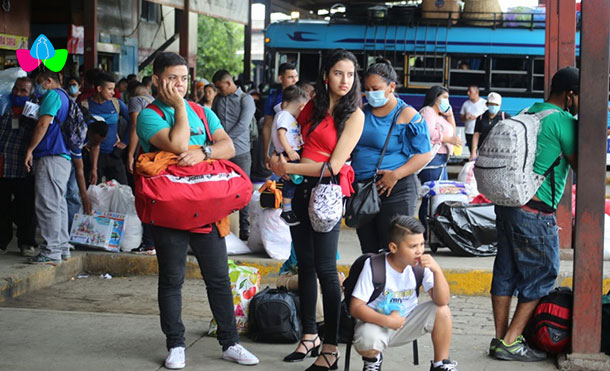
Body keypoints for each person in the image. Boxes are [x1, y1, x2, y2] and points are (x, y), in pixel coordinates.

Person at [136, 52, 259, 369]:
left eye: (183, 78)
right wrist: (178, 107)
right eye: (172, 78)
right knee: (172, 280)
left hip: (207, 209)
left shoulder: (203, 113)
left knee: (218, 279)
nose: (179, 84)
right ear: (156, 80)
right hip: (170, 210)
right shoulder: (148, 116)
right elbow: (176, 145)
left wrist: (203, 151)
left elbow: (228, 146)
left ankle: (230, 342)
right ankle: (176, 344)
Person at [270, 49, 365, 371]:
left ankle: (330, 348)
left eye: (350, 75)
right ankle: (309, 334)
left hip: (326, 193)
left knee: (326, 269)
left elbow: (335, 165)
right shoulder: (314, 106)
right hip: (300, 190)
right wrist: (281, 161)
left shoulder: (355, 115)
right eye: (339, 73)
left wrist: (290, 166)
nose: (345, 80)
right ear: (327, 76)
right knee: (306, 266)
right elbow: (292, 139)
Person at [489, 67, 578, 362]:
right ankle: (512, 341)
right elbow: (581, 163)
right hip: (536, 212)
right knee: (543, 274)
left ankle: (501, 338)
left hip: (508, 205)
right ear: (570, 95)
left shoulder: (530, 112)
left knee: (506, 271)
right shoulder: (564, 121)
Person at [350, 216, 458, 371]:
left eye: (422, 244)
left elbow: (442, 300)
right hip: (376, 324)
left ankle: (440, 363)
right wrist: (387, 321)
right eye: (413, 246)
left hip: (407, 323)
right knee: (367, 340)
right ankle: (373, 360)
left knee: (442, 311)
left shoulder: (420, 266)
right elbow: (356, 307)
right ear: (394, 248)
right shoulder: (375, 265)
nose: (419, 250)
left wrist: (437, 270)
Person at [352, 59, 432, 254]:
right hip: (364, 189)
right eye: (367, 88)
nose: (371, 93)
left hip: (396, 189)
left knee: (392, 248)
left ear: (391, 87)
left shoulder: (406, 114)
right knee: (368, 248)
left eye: (376, 88)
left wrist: (395, 175)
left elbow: (425, 154)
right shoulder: (362, 112)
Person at [24, 69, 92, 263]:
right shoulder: (66, 97)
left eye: (39, 83)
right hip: (63, 157)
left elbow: (43, 124)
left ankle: (50, 250)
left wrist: (30, 149)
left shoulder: (53, 96)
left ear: (48, 81)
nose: (38, 88)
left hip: (50, 155)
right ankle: (61, 247)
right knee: (58, 203)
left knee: (48, 204)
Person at [212, 69, 256, 241]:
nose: (218, 91)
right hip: (221, 154)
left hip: (241, 152)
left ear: (229, 83)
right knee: (221, 189)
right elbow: (213, 121)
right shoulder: (218, 99)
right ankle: (222, 227)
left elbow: (243, 125)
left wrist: (223, 139)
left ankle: (244, 228)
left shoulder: (246, 99)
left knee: (244, 190)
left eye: (220, 87)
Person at [0, 77, 38, 257]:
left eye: (23, 91)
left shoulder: (34, 111)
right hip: (4, 166)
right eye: (16, 89)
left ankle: (26, 242)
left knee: (27, 208)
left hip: (24, 168)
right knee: (1, 206)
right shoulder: (4, 107)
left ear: (31, 94)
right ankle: (2, 241)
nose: (18, 93)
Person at [418, 86, 462, 231]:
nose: (446, 101)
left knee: (438, 196)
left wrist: (450, 115)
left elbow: (453, 132)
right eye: (444, 98)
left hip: (441, 160)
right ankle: (426, 231)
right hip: (432, 160)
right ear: (435, 98)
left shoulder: (440, 116)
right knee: (431, 197)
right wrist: (447, 138)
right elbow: (429, 133)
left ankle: (433, 231)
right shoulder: (428, 112)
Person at [81, 72, 130, 185]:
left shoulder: (116, 104)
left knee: (122, 190)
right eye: (110, 89)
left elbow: (133, 121)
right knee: (94, 193)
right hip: (92, 157)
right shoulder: (85, 106)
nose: (113, 92)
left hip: (114, 154)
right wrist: (84, 143)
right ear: (99, 88)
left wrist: (125, 141)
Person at [270, 84, 309, 226]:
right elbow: (281, 133)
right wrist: (290, 151)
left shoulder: (286, 116)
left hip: (292, 151)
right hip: (289, 152)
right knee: (291, 181)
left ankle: (288, 208)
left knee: (294, 180)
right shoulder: (284, 115)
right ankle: (286, 210)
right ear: (301, 106)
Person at [262, 62, 299, 165]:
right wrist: (266, 153)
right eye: (290, 77)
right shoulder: (273, 99)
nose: (295, 80)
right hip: (281, 148)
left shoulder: (302, 94)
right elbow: (267, 126)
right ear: (280, 78)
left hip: (300, 146)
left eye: (296, 76)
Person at [469, 92, 510, 161]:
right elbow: (476, 135)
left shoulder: (505, 117)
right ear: (487, 104)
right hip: (484, 151)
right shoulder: (481, 118)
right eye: (491, 104)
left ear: (500, 105)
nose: (493, 107)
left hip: (500, 152)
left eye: (496, 105)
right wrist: (473, 152)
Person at [459, 85, 487, 151]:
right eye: (468, 91)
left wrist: (476, 117)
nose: (468, 93)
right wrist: (465, 117)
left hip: (480, 132)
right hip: (469, 132)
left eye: (470, 91)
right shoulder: (466, 104)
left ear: (476, 92)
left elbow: (488, 117)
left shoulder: (484, 103)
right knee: (471, 151)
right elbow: (460, 118)